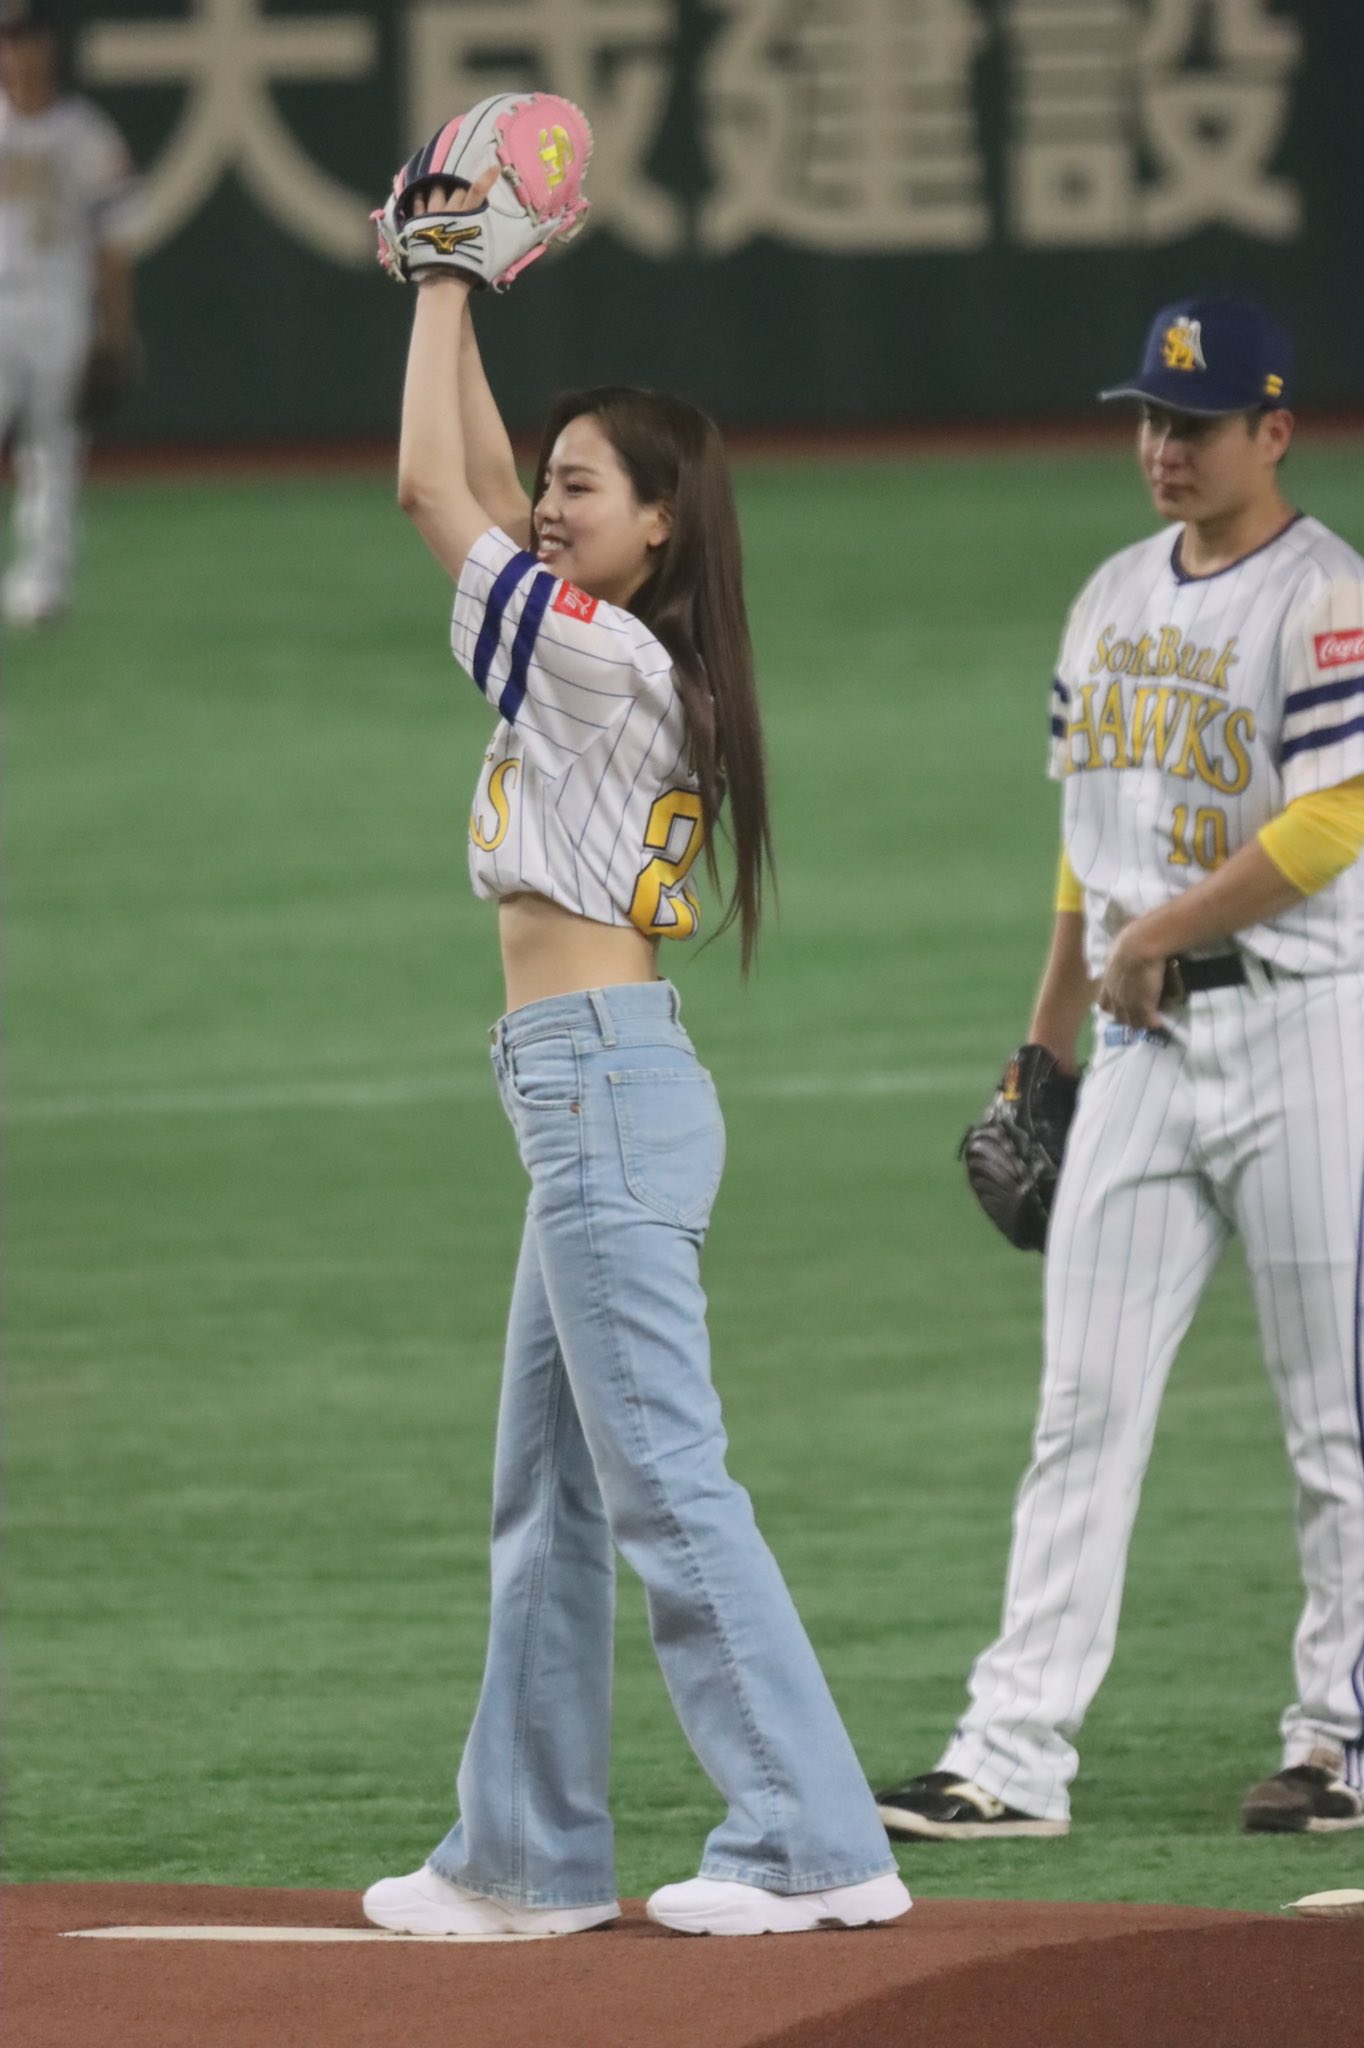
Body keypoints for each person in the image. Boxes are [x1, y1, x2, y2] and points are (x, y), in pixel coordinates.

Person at [360, 138, 911, 1938]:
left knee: (664, 1482)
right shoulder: (609, 643)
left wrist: (446, 272)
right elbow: (472, 479)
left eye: (581, 486)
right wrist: (457, 288)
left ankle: (812, 1839)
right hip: (592, 1086)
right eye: (551, 481)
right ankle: (522, 1858)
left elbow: (423, 488)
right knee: (549, 1492)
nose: (543, 504)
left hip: (601, 1085)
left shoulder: (597, 658)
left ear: (658, 519)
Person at [875, 294, 1364, 1844]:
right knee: (1082, 1405)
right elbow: (1086, 852)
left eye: (1196, 424)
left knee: (1336, 1414)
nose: (1164, 446)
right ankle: (1011, 1757)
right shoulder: (1105, 599)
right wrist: (1045, 1035)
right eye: (1151, 417)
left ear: (1272, 432)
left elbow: (1337, 819)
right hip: (1145, 1047)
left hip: (1308, 1029)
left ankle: (1343, 1737)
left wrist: (1158, 930)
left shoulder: (1329, 597)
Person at [0, 3, 141, 627]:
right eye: (8, 41)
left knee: (53, 447)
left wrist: (116, 329)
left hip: (60, 304)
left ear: (48, 48)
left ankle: (44, 583)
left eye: (26, 40)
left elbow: (114, 242)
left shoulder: (86, 133)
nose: (17, 53)